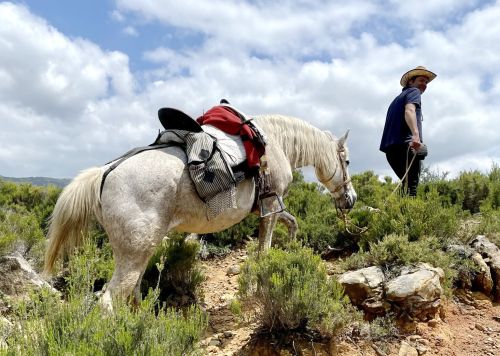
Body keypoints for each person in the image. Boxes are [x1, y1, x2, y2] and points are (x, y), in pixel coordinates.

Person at [380, 66, 437, 196]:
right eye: (421, 80)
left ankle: (397, 214)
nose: (424, 85)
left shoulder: (396, 99)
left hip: (391, 150)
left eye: (426, 82)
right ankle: (410, 215)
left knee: (406, 185)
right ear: (411, 81)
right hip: (406, 146)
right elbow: (409, 110)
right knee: (412, 187)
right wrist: (416, 136)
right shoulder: (413, 92)